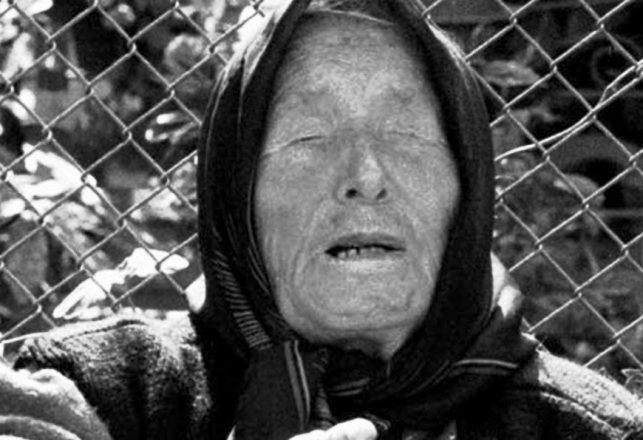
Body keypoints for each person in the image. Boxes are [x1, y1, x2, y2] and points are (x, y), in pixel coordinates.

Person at [2, 1, 643, 439]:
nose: (366, 174)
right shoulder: (114, 390)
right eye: (308, 137)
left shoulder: (589, 428)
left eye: (407, 133)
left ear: (466, 189)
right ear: (235, 195)